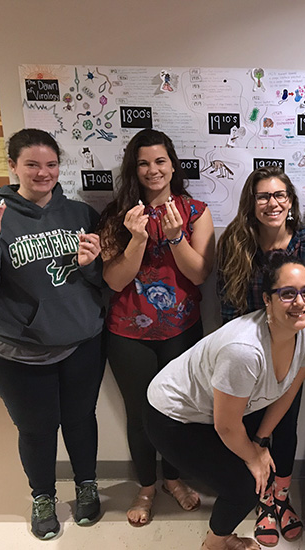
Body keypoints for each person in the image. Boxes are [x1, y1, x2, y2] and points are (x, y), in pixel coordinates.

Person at [145, 253, 305, 550]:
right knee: (246, 485)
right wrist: (254, 457)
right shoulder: (244, 351)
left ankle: (222, 538)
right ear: (268, 299)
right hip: (172, 416)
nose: (301, 302)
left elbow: (288, 391)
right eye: (288, 294)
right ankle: (214, 545)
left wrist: (261, 440)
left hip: (218, 412)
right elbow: (226, 426)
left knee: (256, 475)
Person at [0, 129, 106, 539]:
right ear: (13, 165)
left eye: (51, 165)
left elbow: (96, 280)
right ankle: (43, 496)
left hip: (80, 342)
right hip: (16, 350)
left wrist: (91, 264)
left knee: (79, 419)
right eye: (32, 164)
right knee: (36, 428)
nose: (43, 173)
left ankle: (87, 484)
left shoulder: (79, 214)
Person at [98, 128, 215, 526]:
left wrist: (175, 236)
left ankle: (174, 479)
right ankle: (146, 486)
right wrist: (136, 239)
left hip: (182, 329)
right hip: (128, 333)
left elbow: (199, 275)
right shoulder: (117, 214)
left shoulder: (195, 211)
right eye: (144, 162)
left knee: (179, 410)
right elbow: (115, 281)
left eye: (160, 161)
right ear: (135, 167)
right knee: (140, 414)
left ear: (172, 165)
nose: (152, 170)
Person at [217, 166, 305, 546]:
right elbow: (227, 302)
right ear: (251, 202)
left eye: (280, 195)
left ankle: (282, 496)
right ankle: (262, 501)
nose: (272, 203)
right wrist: (239, 353)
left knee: (286, 426)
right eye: (263, 196)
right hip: (246, 352)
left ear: (291, 201)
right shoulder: (235, 240)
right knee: (249, 427)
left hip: (290, 348)